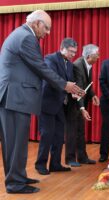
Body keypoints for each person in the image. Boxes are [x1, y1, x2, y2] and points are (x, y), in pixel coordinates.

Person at [0, 10, 83, 194]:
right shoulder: (26, 38)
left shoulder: (22, 35)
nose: (48, 32)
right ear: (36, 23)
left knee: (16, 143)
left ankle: (18, 177)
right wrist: (65, 85)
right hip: (15, 97)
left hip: (15, 97)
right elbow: (41, 67)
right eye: (46, 28)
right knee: (15, 144)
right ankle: (15, 183)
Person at [35, 38, 78, 176]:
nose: (73, 55)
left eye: (75, 52)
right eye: (71, 52)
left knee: (59, 135)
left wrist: (75, 92)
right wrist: (68, 86)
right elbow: (52, 78)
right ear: (62, 48)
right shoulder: (50, 59)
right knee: (47, 135)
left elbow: (69, 84)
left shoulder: (70, 65)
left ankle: (55, 164)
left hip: (60, 104)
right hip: (47, 103)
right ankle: (40, 164)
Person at [65, 44, 100, 167]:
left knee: (80, 131)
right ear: (90, 56)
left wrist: (93, 95)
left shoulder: (88, 64)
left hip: (80, 102)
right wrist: (82, 108)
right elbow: (79, 88)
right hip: (74, 103)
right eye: (97, 55)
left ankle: (82, 157)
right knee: (72, 132)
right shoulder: (78, 65)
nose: (99, 57)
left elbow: (88, 84)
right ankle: (69, 158)